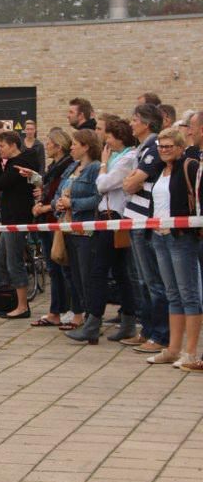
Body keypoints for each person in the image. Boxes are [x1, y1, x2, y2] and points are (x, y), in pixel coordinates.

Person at [66, 118, 136, 344]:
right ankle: (127, 321)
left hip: (115, 216)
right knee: (118, 271)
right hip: (105, 215)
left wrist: (104, 164)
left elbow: (103, 185)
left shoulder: (126, 158)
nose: (104, 139)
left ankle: (94, 322)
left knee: (99, 271)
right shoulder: (117, 157)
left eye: (107, 135)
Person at [146, 127, 202, 369]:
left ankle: (190, 352)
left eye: (169, 146)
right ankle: (173, 348)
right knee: (172, 294)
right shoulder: (159, 170)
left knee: (189, 294)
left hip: (181, 236)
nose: (164, 150)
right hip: (159, 236)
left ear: (180, 147)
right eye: (161, 146)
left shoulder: (189, 166)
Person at [121, 104, 169, 354]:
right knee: (140, 279)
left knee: (152, 280)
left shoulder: (153, 147)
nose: (131, 124)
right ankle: (147, 330)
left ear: (147, 123)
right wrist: (130, 181)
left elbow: (131, 184)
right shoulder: (141, 148)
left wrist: (131, 181)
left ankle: (160, 335)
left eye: (135, 119)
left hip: (144, 219)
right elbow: (128, 182)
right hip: (134, 217)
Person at [0, 129, 38, 319]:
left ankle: (23, 306)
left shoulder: (20, 164)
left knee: (14, 262)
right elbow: (0, 179)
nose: (0, 149)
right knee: (0, 260)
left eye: (2, 146)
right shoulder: (12, 163)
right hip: (9, 218)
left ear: (13, 145)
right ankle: (7, 301)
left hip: (17, 219)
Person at [52, 129, 101, 331]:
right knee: (71, 274)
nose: (70, 147)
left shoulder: (95, 168)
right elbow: (58, 192)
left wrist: (72, 203)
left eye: (74, 144)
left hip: (85, 231)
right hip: (67, 228)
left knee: (85, 275)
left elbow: (97, 198)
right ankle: (80, 313)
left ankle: (92, 319)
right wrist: (58, 203)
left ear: (86, 146)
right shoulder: (72, 167)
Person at [28, 127, 75, 327]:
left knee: (61, 267)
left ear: (58, 146)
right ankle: (57, 308)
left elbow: (62, 192)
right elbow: (48, 189)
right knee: (53, 267)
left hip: (56, 219)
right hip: (46, 218)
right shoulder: (53, 166)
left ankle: (65, 309)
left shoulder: (67, 167)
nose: (46, 146)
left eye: (49, 143)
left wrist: (45, 206)